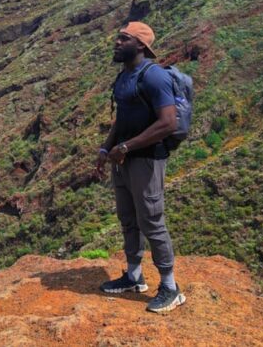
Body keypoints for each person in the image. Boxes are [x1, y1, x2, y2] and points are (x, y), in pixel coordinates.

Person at [95, 21, 186, 313]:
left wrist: (127, 147)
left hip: (147, 159)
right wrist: (106, 148)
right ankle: (134, 276)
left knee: (151, 221)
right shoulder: (124, 77)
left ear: (141, 46)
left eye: (124, 38)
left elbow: (168, 122)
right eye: (118, 37)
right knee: (128, 218)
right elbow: (121, 120)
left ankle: (171, 288)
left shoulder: (154, 77)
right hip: (122, 160)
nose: (117, 42)